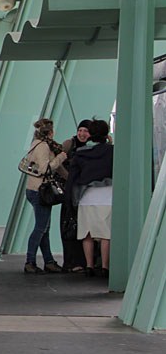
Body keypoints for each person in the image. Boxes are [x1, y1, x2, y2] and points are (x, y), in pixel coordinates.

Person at [65, 119, 114, 277]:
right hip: (107, 196)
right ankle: (105, 267)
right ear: (106, 134)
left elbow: (73, 177)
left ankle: (89, 266)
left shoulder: (81, 153)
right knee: (106, 234)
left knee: (87, 234)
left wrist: (69, 199)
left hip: (86, 197)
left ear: (90, 134)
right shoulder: (112, 151)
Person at [22, 118, 68, 274]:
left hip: (33, 189)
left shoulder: (35, 144)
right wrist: (61, 157)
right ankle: (30, 261)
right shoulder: (42, 147)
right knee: (40, 228)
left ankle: (49, 261)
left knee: (44, 228)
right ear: (50, 132)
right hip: (40, 191)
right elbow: (45, 169)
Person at [58, 120, 92, 272]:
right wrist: (69, 178)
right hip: (70, 192)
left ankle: (81, 261)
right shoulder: (69, 144)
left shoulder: (92, 148)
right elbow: (58, 163)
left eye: (86, 131)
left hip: (84, 192)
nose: (82, 134)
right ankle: (71, 261)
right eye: (80, 130)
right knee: (69, 225)